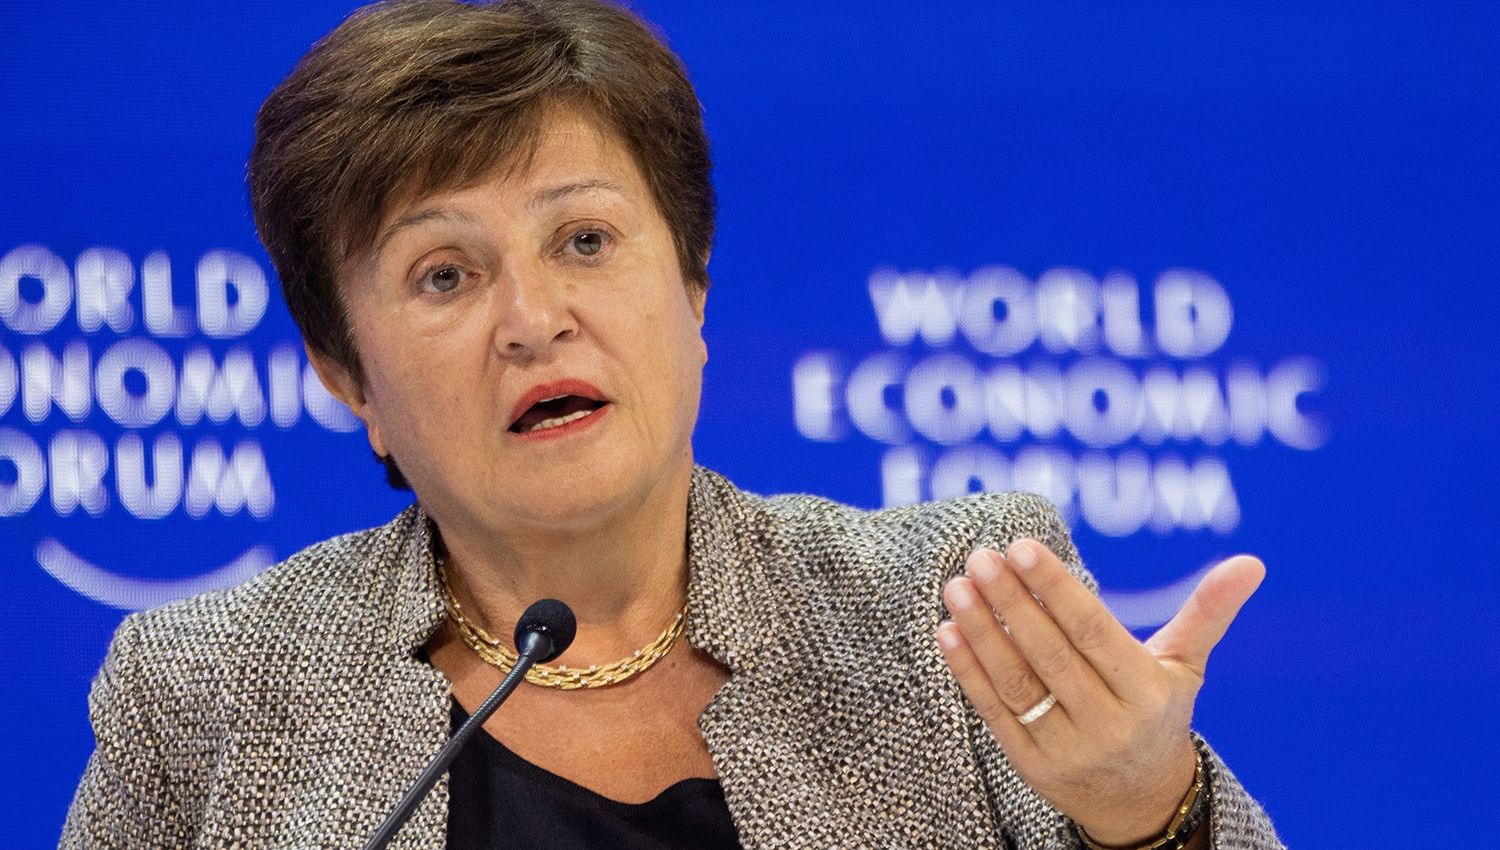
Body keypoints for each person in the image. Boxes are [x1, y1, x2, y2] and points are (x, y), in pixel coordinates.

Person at [60, 1, 1284, 848]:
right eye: (445, 274)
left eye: (585, 240)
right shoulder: (209, 690)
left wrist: (1146, 814)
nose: (533, 319)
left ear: (693, 291)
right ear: (346, 377)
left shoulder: (948, 609)